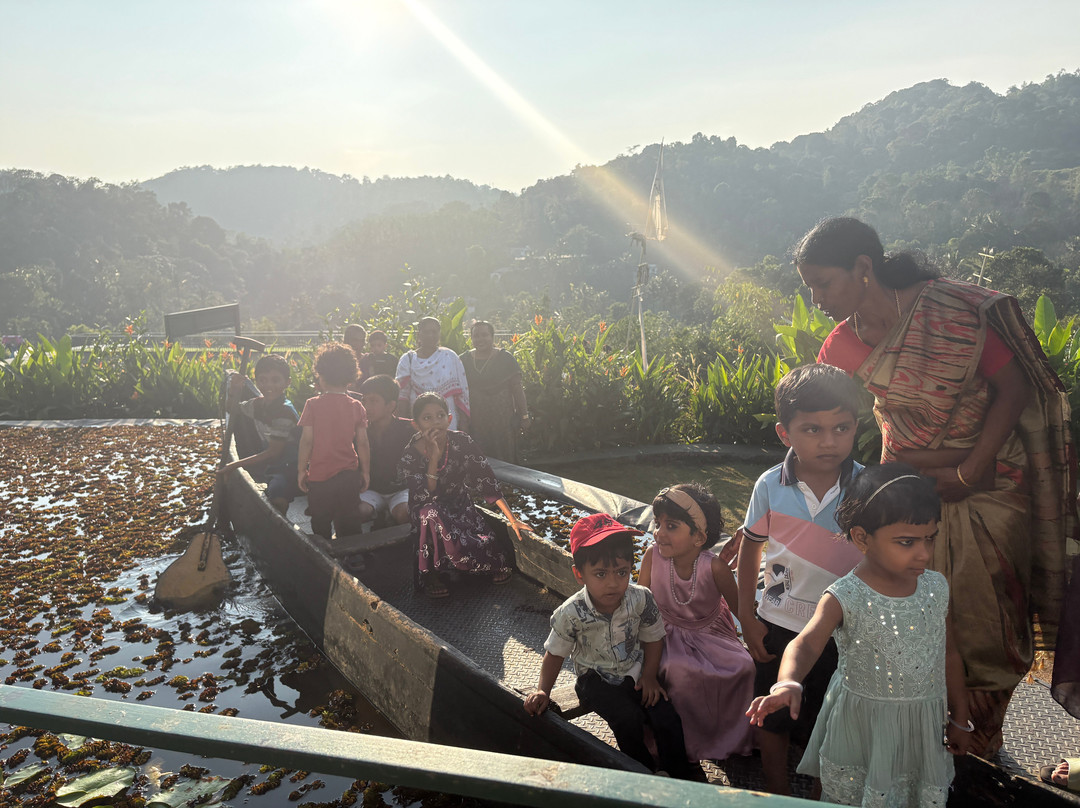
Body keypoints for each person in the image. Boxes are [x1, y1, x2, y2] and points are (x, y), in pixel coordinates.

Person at [797, 216, 1077, 755]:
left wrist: (969, 471)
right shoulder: (840, 347)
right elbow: (825, 423)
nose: (817, 299)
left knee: (990, 622)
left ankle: (982, 740)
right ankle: (933, 745)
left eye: (824, 283)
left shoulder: (951, 312)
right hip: (910, 497)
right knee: (919, 616)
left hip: (993, 490)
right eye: (809, 288)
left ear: (863, 268)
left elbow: (1012, 389)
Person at [747, 464, 974, 808]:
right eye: (907, 542)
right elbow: (805, 643)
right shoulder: (844, 595)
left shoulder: (935, 587)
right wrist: (788, 682)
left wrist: (960, 718)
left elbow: (950, 654)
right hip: (859, 726)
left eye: (930, 538)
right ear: (862, 538)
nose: (924, 553)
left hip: (919, 729)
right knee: (843, 792)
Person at [736, 362, 865, 796]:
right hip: (775, 625)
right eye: (812, 429)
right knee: (772, 719)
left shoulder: (868, 488)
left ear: (855, 427)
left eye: (840, 427)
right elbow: (750, 547)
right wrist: (745, 615)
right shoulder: (770, 485)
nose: (829, 441)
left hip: (841, 633)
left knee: (828, 722)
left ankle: (821, 795)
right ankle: (776, 794)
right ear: (784, 433)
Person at [524, 513, 703, 780]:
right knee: (627, 719)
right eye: (600, 573)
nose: (612, 582)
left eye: (621, 572)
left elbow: (654, 637)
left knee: (666, 715)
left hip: (635, 671)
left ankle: (678, 772)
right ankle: (643, 772)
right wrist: (543, 690)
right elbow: (555, 653)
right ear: (579, 574)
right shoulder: (571, 613)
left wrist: (650, 676)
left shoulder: (640, 598)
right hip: (595, 680)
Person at [638, 483, 754, 762]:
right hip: (662, 632)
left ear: (699, 537)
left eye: (671, 526)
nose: (659, 532)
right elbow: (639, 603)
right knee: (677, 670)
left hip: (711, 633)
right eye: (658, 523)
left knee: (744, 666)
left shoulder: (714, 567)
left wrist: (755, 634)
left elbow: (740, 609)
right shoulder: (652, 557)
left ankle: (730, 737)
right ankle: (685, 743)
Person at [399, 392, 529, 597]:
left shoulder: (462, 442)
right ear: (416, 425)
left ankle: (483, 565)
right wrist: (433, 457)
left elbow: (486, 481)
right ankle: (432, 574)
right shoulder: (410, 454)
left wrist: (512, 519)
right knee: (431, 513)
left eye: (440, 415)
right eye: (427, 418)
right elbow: (426, 492)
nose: (436, 422)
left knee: (481, 542)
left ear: (449, 419)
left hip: (459, 504)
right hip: (426, 510)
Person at [297, 342, 370, 540]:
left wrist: (301, 470)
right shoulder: (357, 406)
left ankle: (325, 551)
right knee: (350, 515)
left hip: (319, 475)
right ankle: (354, 555)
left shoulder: (312, 405)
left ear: (320, 375)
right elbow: (362, 443)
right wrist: (365, 471)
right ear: (350, 376)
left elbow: (306, 442)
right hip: (348, 473)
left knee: (320, 518)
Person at [219, 353, 301, 514]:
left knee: (277, 493)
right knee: (272, 481)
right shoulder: (258, 404)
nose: (268, 385)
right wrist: (234, 390)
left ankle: (281, 522)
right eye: (262, 380)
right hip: (274, 462)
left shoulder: (284, 412)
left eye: (275, 380)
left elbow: (274, 452)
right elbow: (232, 409)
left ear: (287, 382)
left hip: (291, 464)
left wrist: (234, 465)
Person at [459, 320, 529, 462]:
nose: (480, 339)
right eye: (476, 336)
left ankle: (508, 483)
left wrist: (525, 416)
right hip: (477, 420)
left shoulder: (505, 358)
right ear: (471, 338)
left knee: (505, 454)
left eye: (485, 335)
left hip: (503, 419)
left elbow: (517, 388)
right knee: (480, 456)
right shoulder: (463, 360)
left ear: (492, 337)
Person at [357, 374, 415, 526]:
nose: (366, 407)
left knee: (406, 514)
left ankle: (389, 516)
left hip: (400, 490)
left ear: (391, 405)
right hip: (371, 490)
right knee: (357, 513)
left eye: (374, 401)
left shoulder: (409, 429)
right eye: (364, 401)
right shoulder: (360, 430)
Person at [396, 316, 471, 431]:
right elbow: (402, 395)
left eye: (434, 332)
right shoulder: (408, 359)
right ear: (419, 334)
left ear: (439, 334)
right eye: (426, 332)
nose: (430, 335)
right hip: (419, 418)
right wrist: (403, 424)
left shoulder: (450, 356)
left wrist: (464, 422)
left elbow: (462, 392)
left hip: (447, 418)